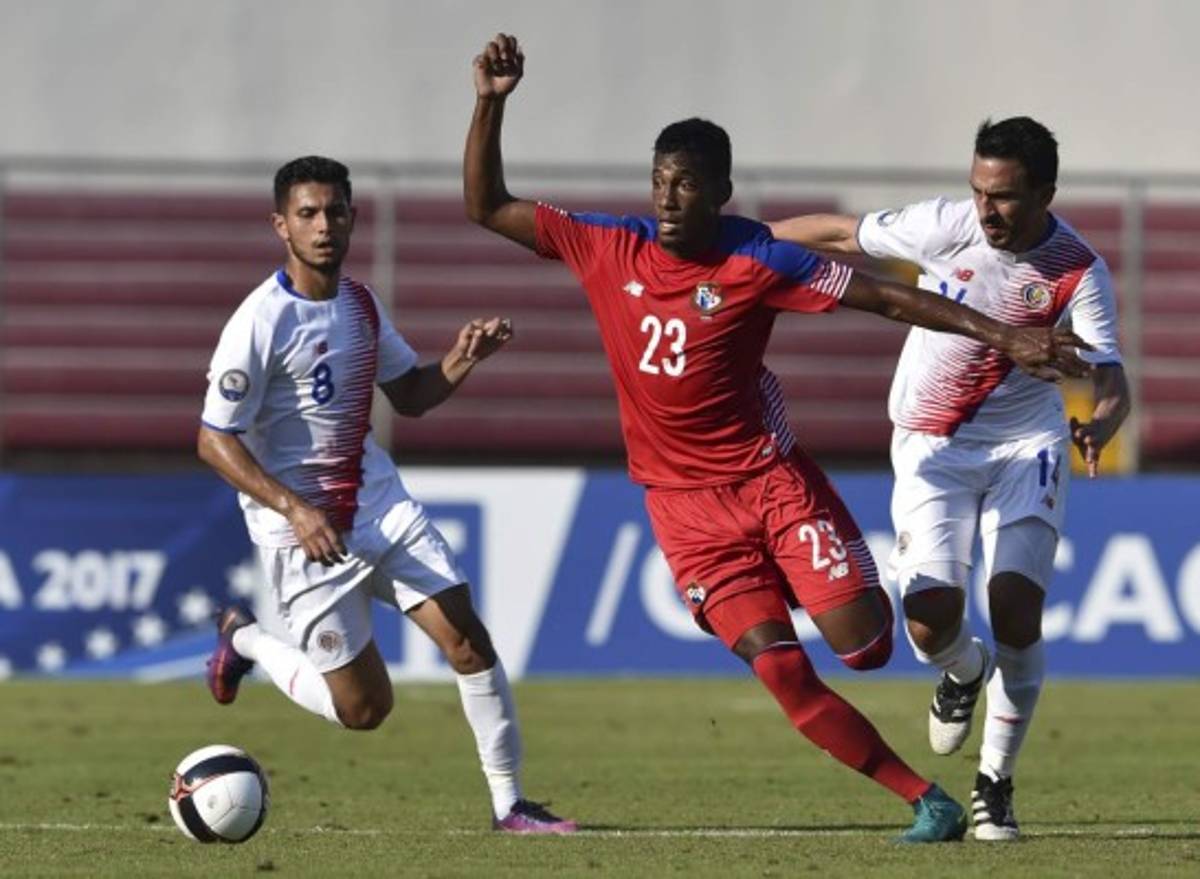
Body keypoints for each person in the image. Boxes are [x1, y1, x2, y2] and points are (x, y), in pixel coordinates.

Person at [463, 34, 1091, 843]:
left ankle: (955, 664)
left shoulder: (756, 260)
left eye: (685, 184)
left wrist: (1004, 336)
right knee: (784, 670)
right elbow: (485, 205)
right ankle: (924, 799)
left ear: (721, 190)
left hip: (769, 483)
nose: (666, 198)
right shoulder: (605, 244)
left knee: (864, 645)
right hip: (684, 513)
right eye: (658, 180)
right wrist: (491, 101)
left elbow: (889, 302)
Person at [769, 117, 1131, 840]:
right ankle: (962, 671)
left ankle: (994, 782)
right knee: (932, 623)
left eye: (1003, 197)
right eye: (979, 191)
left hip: (1025, 445)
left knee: (1016, 607)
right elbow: (842, 235)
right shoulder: (944, 225)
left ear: (1045, 194)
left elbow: (1111, 373)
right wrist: (739, 240)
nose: (986, 210)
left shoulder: (1077, 270)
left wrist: (1103, 421)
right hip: (932, 446)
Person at [198, 155, 576, 835]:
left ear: (352, 218)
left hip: (378, 507)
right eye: (308, 213)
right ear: (280, 224)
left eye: (335, 211)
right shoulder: (257, 322)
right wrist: (294, 507)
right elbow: (212, 440)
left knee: (468, 639)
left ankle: (510, 804)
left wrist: (462, 357)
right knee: (365, 708)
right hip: (303, 537)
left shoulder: (361, 305)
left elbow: (412, 394)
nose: (323, 226)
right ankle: (245, 638)